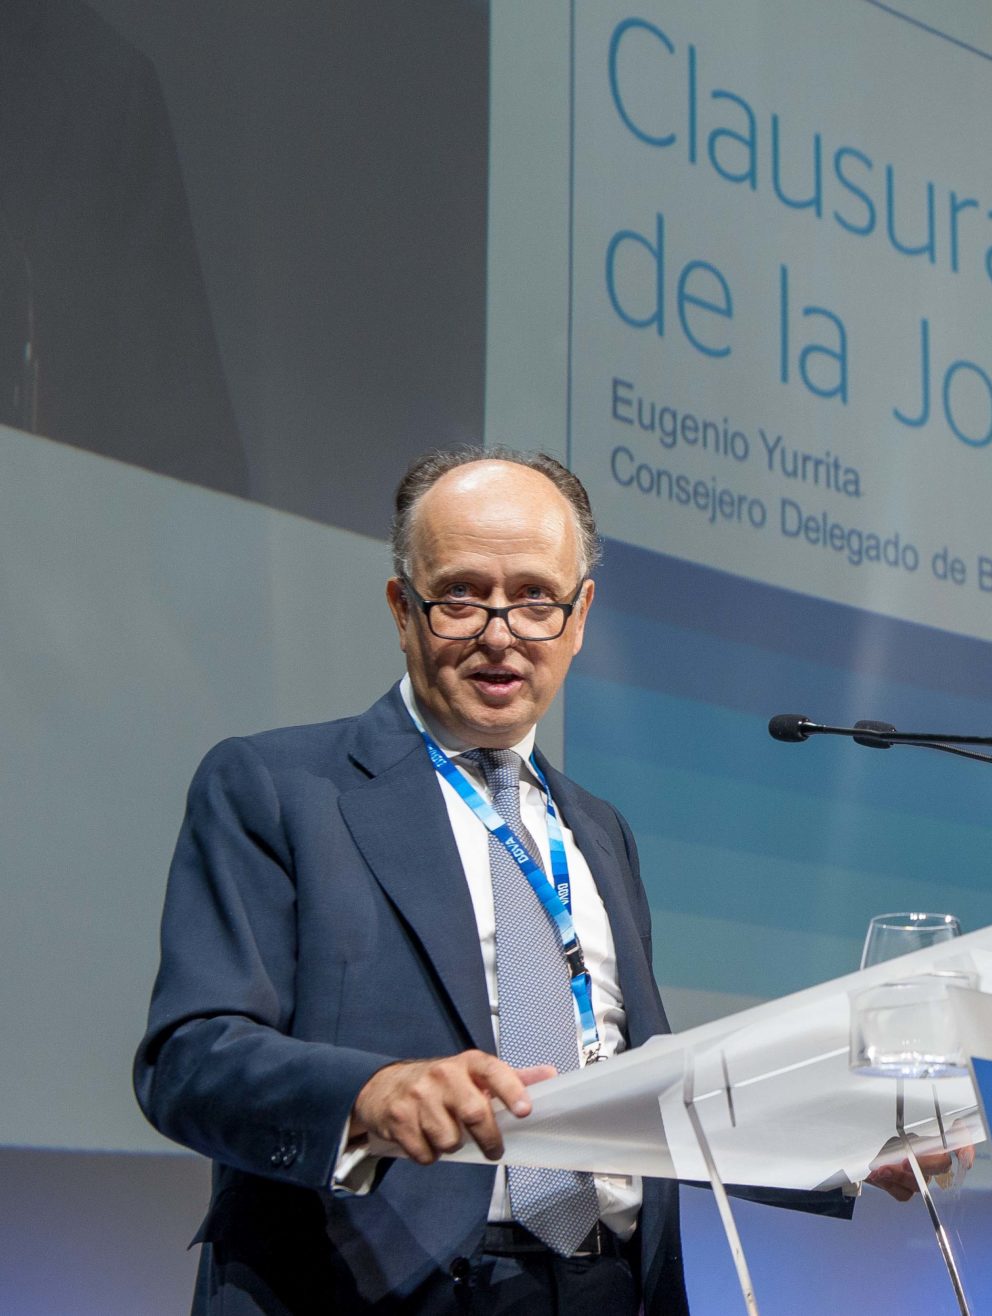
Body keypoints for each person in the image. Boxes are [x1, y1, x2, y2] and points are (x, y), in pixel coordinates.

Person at [135, 449, 684, 1313]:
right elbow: (189, 1061)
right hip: (374, 1285)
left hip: (607, 1285)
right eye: (461, 595)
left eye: (536, 598)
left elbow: (641, 1086)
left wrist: (838, 1144)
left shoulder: (600, 831)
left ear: (578, 618)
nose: (499, 632)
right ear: (402, 608)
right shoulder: (277, 788)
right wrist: (368, 1093)